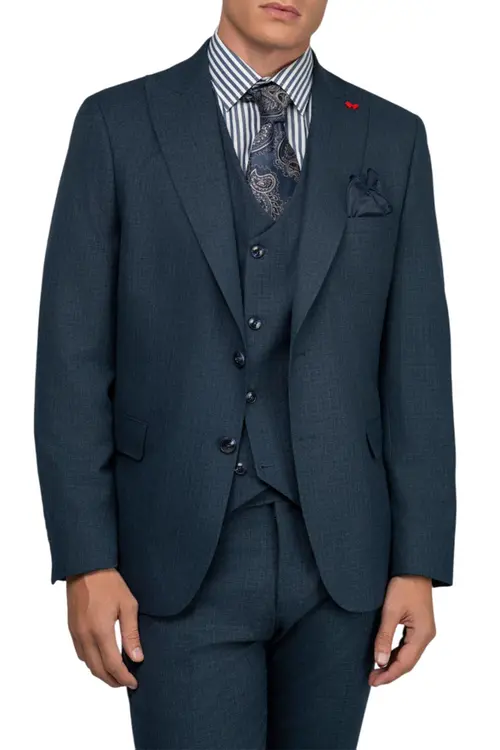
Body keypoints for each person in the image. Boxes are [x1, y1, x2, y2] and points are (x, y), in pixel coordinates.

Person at [34, 1, 456, 748]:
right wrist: (85, 559)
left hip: (343, 562)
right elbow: (72, 359)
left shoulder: (392, 136)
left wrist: (419, 562)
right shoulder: (118, 124)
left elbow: (417, 362)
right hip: (176, 553)